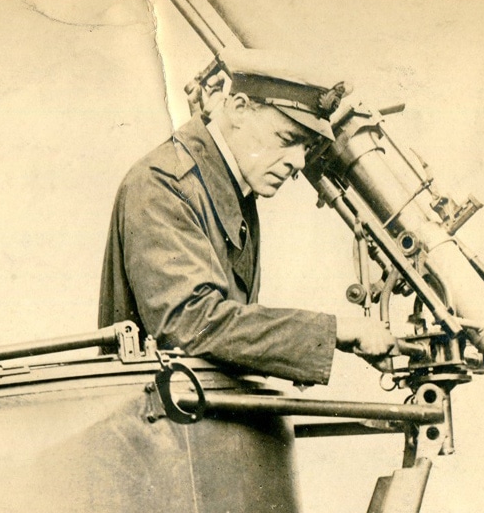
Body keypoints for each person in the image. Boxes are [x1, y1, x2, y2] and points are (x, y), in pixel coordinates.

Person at [99, 48, 392, 385]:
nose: (298, 162)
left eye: (307, 148)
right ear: (238, 108)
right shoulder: (164, 182)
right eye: (287, 139)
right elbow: (189, 324)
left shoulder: (230, 187)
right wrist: (333, 330)